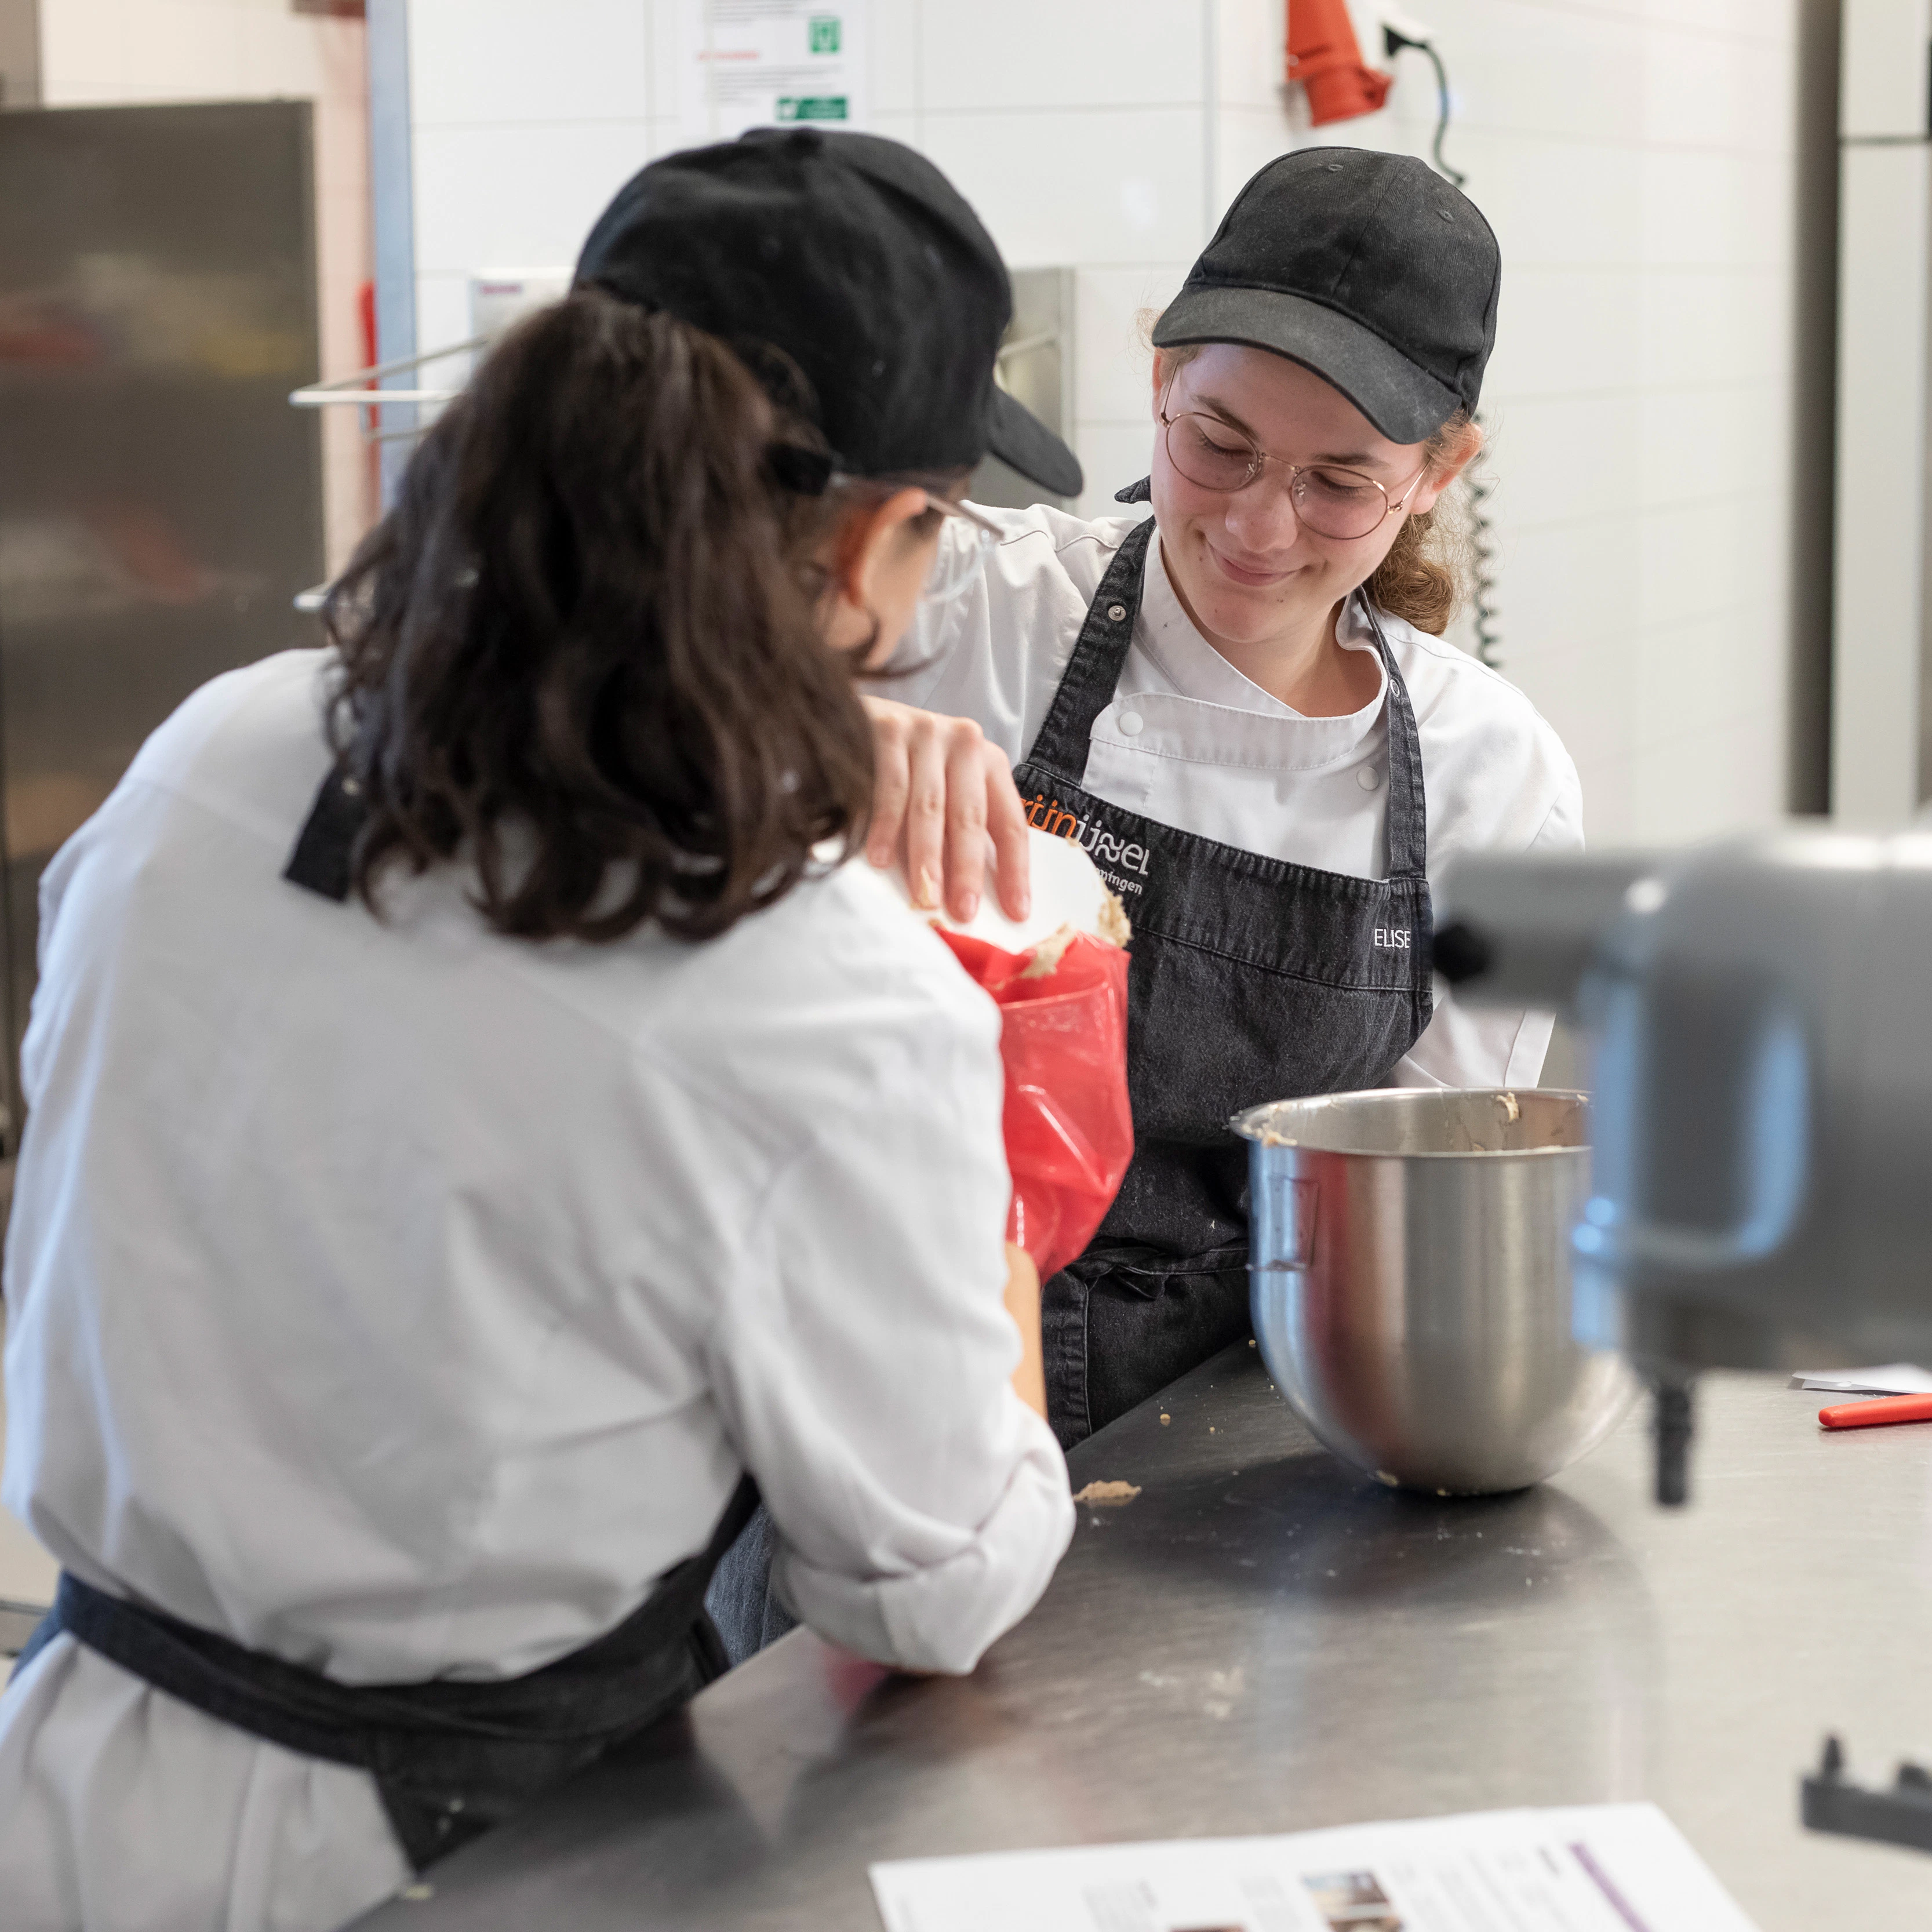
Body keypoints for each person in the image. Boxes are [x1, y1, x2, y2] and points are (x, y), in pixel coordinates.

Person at [0, 128, 1082, 1932]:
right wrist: (997, 1238)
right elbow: (925, 1581)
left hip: (67, 1776)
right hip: (472, 1853)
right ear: (877, 540)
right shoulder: (811, 980)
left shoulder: (212, 756)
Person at [861, 148, 1583, 1450]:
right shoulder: (968, 614)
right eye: (1221, 446)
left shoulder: (1494, 775)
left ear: (1438, 471)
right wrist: (810, 729)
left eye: (1338, 481)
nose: (1261, 525)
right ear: (1158, 384)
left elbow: (1423, 1208)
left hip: (1261, 1437)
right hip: (911, 1392)